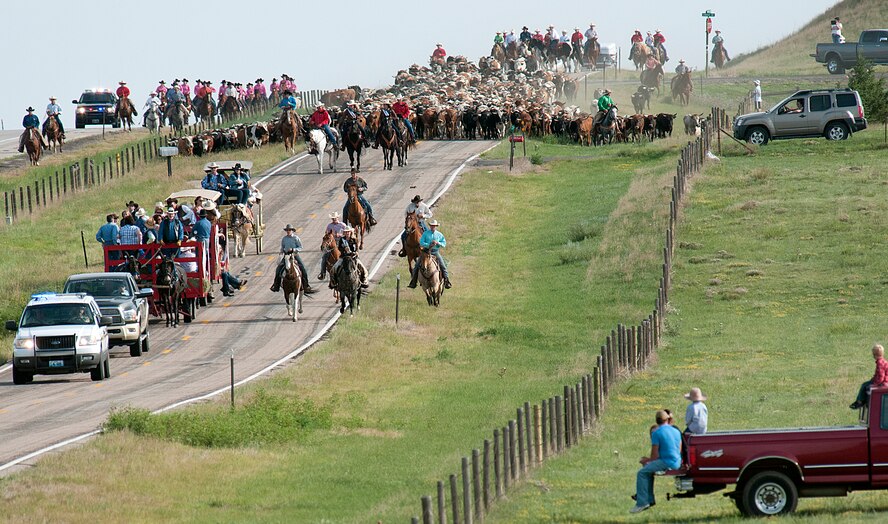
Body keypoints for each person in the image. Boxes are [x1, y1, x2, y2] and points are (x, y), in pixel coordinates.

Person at [631, 410, 683, 514]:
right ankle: (649, 500)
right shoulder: (676, 431)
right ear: (667, 419)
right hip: (677, 462)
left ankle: (641, 503)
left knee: (642, 473)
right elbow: (679, 449)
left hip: (666, 462)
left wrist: (646, 460)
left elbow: (654, 456)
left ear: (656, 420)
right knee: (648, 471)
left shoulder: (657, 433)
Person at [270, 224, 316, 294]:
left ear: (292, 231)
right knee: (278, 269)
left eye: (289, 230)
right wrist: (281, 252)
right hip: (286, 256)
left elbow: (300, 247)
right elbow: (282, 247)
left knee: (303, 268)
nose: (288, 231)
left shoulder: (296, 238)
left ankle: (306, 285)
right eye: (287, 230)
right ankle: (276, 285)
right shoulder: (284, 238)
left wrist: (293, 249)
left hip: (295, 255)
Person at [408, 219, 451, 289]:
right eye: (431, 226)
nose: (432, 227)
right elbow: (421, 242)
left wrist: (438, 243)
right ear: (430, 226)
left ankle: (446, 281)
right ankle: (413, 281)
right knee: (417, 265)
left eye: (434, 226)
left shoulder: (439, 234)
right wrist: (429, 245)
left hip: (435, 251)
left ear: (436, 226)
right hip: (426, 252)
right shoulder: (425, 233)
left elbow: (444, 243)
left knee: (443, 265)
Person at [850, 344, 888, 409]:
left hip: (882, 383)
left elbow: (881, 377)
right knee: (867, 384)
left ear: (874, 354)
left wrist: (875, 384)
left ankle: (859, 402)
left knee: (864, 385)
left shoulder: (880, 363)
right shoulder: (885, 361)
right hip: (884, 381)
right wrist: (873, 379)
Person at [318, 212, 348, 280]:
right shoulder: (329, 226)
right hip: (331, 243)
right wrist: (330, 235)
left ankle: (349, 270)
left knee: (348, 254)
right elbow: (326, 234)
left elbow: (347, 233)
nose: (334, 219)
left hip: (341, 241)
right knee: (324, 257)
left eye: (335, 218)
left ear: (338, 218)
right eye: (333, 218)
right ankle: (323, 273)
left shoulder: (342, 225)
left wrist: (340, 235)